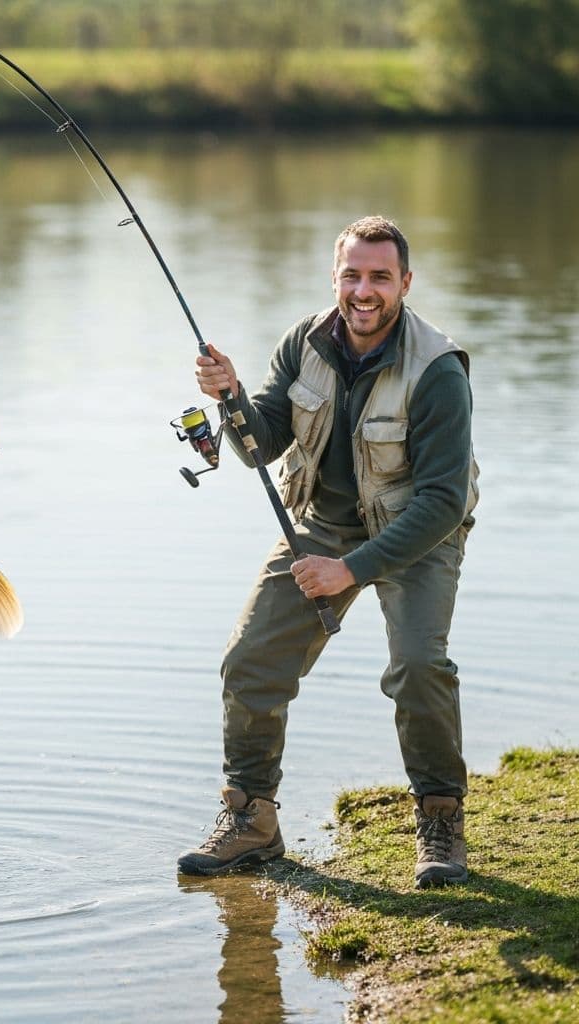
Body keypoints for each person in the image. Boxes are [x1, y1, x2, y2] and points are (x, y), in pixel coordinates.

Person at [176, 216, 479, 889]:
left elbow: (441, 503)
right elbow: (266, 441)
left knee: (418, 665)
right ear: (335, 277)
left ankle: (439, 819)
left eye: (379, 276)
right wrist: (229, 399)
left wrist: (350, 569)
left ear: (405, 282)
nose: (363, 290)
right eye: (352, 274)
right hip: (319, 522)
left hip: (416, 530)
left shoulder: (439, 371)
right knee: (250, 660)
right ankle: (251, 819)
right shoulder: (304, 341)